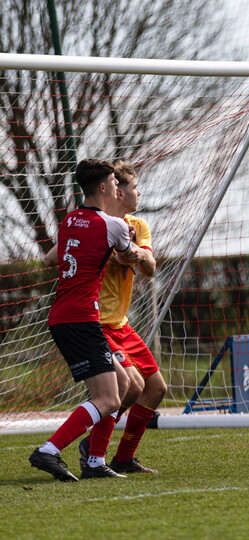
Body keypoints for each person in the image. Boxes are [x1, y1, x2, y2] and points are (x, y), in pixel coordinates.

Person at [29, 159, 144, 482]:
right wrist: (133, 244)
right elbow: (127, 255)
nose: (120, 188)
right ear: (105, 188)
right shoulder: (114, 225)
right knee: (108, 398)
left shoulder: (69, 220)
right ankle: (49, 450)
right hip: (82, 318)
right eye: (115, 182)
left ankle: (94, 460)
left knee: (123, 385)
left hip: (63, 316)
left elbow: (51, 258)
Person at [79, 160, 165, 475]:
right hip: (97, 323)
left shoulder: (138, 225)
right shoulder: (94, 223)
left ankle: (123, 458)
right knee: (127, 388)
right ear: (118, 191)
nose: (137, 192)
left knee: (155, 389)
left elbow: (150, 267)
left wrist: (138, 254)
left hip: (122, 324)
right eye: (134, 187)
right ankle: (94, 453)